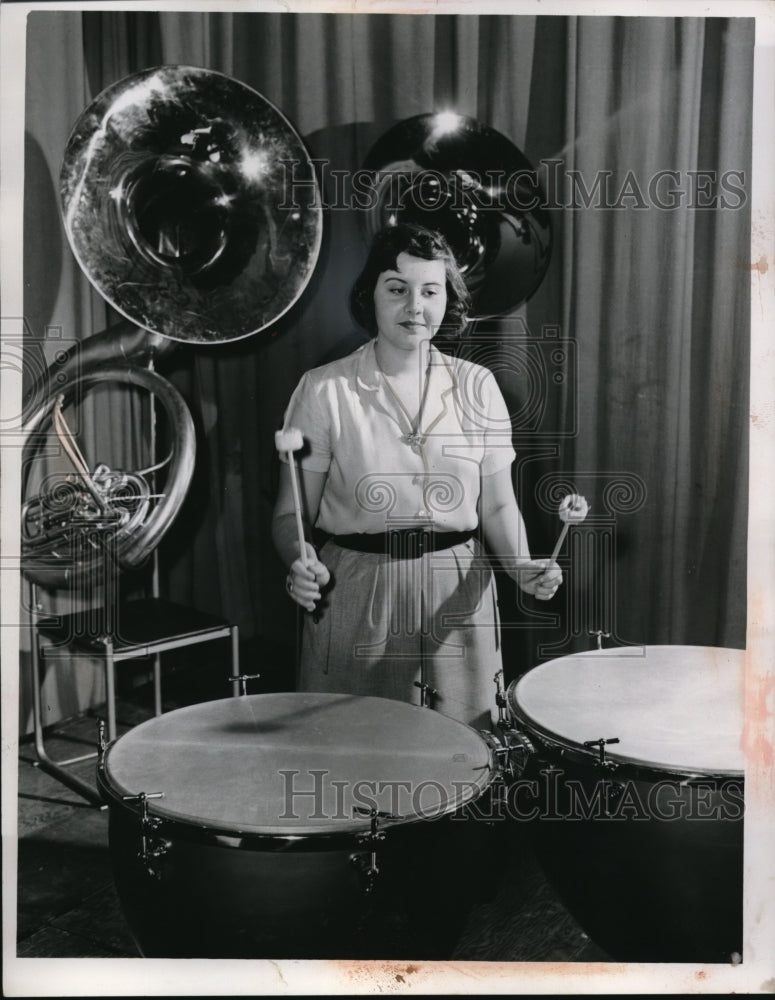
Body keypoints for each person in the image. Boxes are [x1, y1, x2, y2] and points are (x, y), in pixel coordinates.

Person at [272, 223, 562, 730]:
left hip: (459, 590)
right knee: (357, 755)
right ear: (371, 295)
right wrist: (300, 559)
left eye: (430, 291)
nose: (414, 307)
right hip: (357, 588)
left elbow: (496, 506)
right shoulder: (324, 390)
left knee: (465, 754)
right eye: (397, 289)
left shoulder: (479, 386)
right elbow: (291, 512)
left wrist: (521, 567)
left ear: (448, 299)